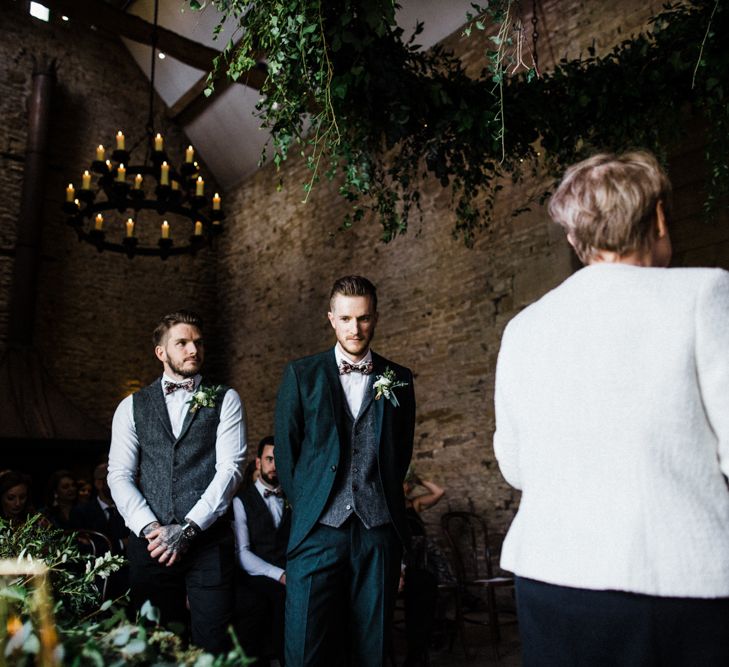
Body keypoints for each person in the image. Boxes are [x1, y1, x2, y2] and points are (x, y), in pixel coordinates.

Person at [494, 150, 729, 666]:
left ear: (575, 239)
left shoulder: (524, 328)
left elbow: (515, 468)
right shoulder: (704, 292)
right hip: (671, 582)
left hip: (548, 579)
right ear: (659, 217)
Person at [275, 275, 416, 666]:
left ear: (375, 318)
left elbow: (399, 453)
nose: (356, 329)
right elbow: (287, 454)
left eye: (365, 318)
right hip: (317, 532)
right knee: (304, 647)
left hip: (377, 532)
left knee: (375, 649)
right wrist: (311, 506)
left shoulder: (398, 379)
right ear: (332, 319)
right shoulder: (301, 375)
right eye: (347, 319)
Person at [108, 310, 247, 653]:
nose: (193, 350)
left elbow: (231, 470)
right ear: (161, 352)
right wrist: (151, 527)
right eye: (182, 343)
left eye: (197, 343)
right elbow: (119, 474)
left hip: (208, 544)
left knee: (213, 645)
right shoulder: (131, 406)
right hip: (150, 545)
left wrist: (187, 530)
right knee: (155, 645)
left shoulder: (226, 399)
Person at [232, 435, 290, 665]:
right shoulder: (241, 500)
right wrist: (280, 575)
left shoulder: (291, 497)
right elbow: (242, 553)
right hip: (254, 576)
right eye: (269, 459)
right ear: (258, 463)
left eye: (279, 460)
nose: (274, 466)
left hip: (290, 573)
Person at [71, 461, 130, 600]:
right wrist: (121, 544)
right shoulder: (81, 512)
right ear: (98, 483)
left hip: (126, 582)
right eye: (112, 479)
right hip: (93, 582)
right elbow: (84, 548)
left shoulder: (127, 509)